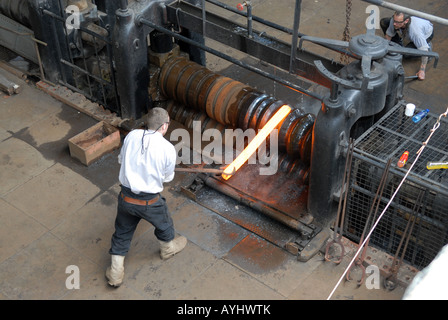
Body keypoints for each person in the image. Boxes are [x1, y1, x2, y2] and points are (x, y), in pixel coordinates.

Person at [106, 107, 187, 288]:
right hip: (150, 201)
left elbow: (121, 159)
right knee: (164, 223)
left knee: (122, 231)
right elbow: (167, 178)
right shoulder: (168, 148)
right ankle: (168, 249)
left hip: (126, 198)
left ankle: (115, 273)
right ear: (164, 126)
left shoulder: (132, 135)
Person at [380, 11, 434, 80]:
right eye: (394, 20)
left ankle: (427, 45)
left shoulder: (415, 32)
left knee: (406, 54)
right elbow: (388, 35)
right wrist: (384, 50)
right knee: (384, 22)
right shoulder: (394, 21)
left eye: (397, 22)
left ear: (406, 21)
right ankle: (398, 43)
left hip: (427, 34)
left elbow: (424, 53)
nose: (394, 24)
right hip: (413, 31)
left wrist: (422, 71)